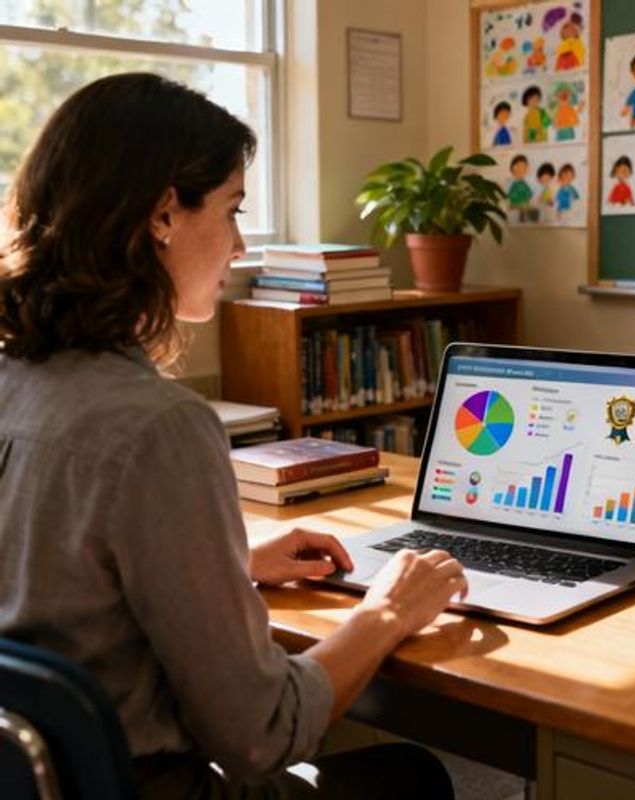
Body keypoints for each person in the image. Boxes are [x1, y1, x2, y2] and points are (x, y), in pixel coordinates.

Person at [0, 73, 465, 799]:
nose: (241, 245)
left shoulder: (13, 381)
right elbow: (263, 733)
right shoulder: (159, 427)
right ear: (162, 216)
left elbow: (46, 580)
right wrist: (388, 612)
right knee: (410, 776)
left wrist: (226, 563)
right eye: (232, 209)